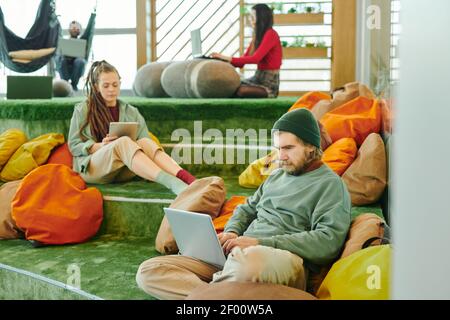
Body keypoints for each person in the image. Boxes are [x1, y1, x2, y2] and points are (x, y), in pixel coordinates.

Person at [135, 108, 352, 300]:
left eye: (288, 148)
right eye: (278, 149)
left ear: (310, 147)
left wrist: (259, 242)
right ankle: (225, 294)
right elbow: (247, 209)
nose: (281, 157)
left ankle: (217, 290)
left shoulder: (331, 185)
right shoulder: (277, 176)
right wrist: (231, 232)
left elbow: (327, 241)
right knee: (150, 271)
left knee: (248, 261)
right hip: (238, 255)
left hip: (278, 259)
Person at [68, 60, 196, 194]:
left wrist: (131, 145)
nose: (111, 89)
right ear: (96, 87)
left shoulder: (131, 111)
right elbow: (74, 144)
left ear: (120, 84)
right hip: (93, 169)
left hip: (123, 169)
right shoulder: (83, 109)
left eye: (115, 85)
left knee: (146, 142)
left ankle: (188, 179)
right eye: (105, 86)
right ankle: (172, 183)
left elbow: (146, 145)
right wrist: (100, 146)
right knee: (122, 142)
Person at [211, 4, 282, 99]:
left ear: (261, 18)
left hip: (269, 84)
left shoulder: (271, 34)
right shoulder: (257, 36)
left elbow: (255, 59)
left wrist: (225, 57)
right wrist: (220, 61)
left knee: (240, 91)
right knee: (229, 87)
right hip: (257, 78)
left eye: (252, 17)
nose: (250, 19)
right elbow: (241, 63)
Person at [56, 21, 87, 91]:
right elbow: (58, 55)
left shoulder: (82, 43)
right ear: (69, 30)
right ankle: (65, 84)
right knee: (61, 59)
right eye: (73, 28)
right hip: (64, 62)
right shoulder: (63, 42)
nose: (75, 29)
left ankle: (73, 85)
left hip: (77, 63)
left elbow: (84, 57)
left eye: (77, 28)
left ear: (79, 31)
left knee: (80, 61)